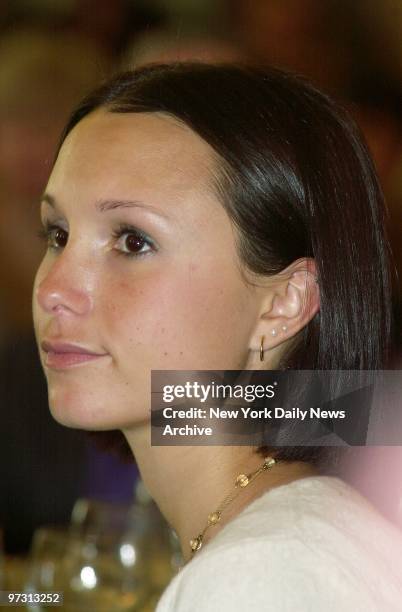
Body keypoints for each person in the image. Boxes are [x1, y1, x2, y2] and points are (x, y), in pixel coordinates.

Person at [32, 63, 402, 610]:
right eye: (58, 235)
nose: (55, 290)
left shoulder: (263, 574)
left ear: (284, 303)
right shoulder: (280, 538)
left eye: (133, 241)